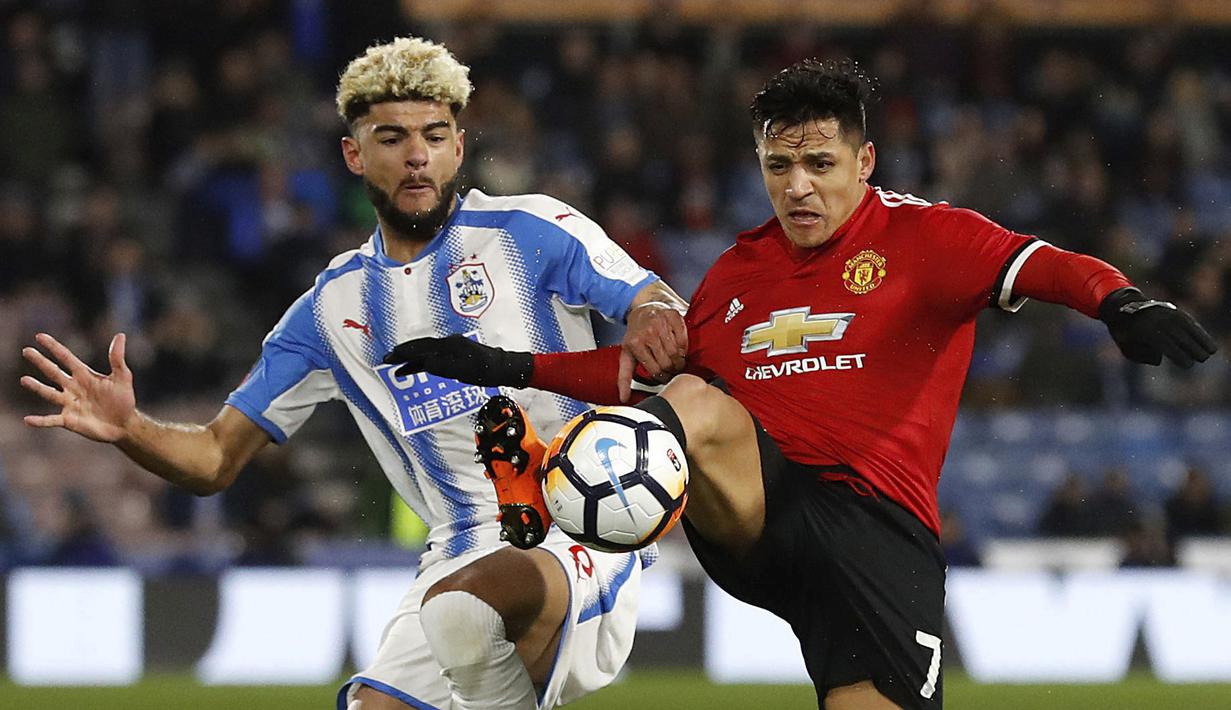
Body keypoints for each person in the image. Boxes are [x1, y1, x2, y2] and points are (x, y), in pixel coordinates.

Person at [385, 58, 1217, 709]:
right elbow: (639, 373)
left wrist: (1120, 301)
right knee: (690, 402)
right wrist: (506, 368)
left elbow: (1041, 264)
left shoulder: (927, 237)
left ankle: (568, 483)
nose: (796, 185)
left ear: (864, 159)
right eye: (777, 164)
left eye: (819, 162)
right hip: (757, 510)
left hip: (873, 533)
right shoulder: (736, 272)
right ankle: (554, 477)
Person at [20, 36, 688, 710]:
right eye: (391, 137)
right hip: (457, 552)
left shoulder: (531, 229)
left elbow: (647, 297)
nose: (417, 155)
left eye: (434, 134)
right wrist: (130, 427)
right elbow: (215, 458)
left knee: (463, 609)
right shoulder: (328, 309)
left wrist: (653, 316)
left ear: (458, 145)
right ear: (353, 153)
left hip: (580, 523)